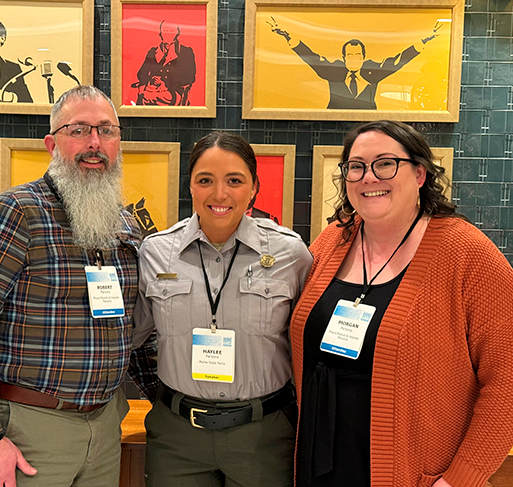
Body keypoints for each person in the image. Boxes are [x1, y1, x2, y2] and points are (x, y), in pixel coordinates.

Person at [0, 85, 157, 487]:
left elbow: (135, 332)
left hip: (105, 428)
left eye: (107, 130)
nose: (95, 143)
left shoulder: (124, 225)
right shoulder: (13, 213)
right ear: (52, 143)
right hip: (29, 431)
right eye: (79, 130)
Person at [290, 120, 513, 486]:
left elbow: (507, 383)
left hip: (414, 474)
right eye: (356, 166)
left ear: (420, 174)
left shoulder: (468, 255)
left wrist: (459, 479)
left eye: (385, 163)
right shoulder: (333, 240)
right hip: (320, 461)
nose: (368, 177)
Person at [134, 131, 313, 487]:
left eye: (234, 180)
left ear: (254, 187)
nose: (219, 194)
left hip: (263, 436)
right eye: (205, 180)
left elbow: (307, 345)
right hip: (177, 438)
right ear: (190, 187)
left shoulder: (291, 255)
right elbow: (129, 338)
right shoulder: (155, 253)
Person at [268, 18, 439, 110]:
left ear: (364, 58)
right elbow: (311, 57)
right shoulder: (334, 72)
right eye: (350, 55)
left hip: (370, 125)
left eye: (358, 55)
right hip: (332, 121)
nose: (354, 59)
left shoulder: (373, 71)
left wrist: (421, 43)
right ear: (343, 58)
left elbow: (397, 61)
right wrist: (288, 36)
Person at [134, 20, 196, 106]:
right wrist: (152, 80)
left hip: (174, 92)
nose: (168, 34)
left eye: (171, 31)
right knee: (145, 96)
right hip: (153, 89)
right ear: (160, 34)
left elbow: (189, 78)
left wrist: (165, 83)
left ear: (177, 33)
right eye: (165, 31)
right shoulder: (153, 52)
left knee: (148, 97)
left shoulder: (186, 52)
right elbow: (141, 74)